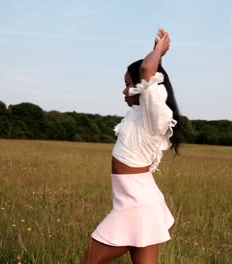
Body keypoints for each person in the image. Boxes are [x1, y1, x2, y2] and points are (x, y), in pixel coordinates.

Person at [81, 28, 183, 264]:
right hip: (136, 201)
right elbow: (146, 72)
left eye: (128, 85)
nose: (124, 90)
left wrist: (159, 51)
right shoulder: (137, 113)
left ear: (143, 88)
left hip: (136, 205)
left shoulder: (154, 113)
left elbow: (148, 70)